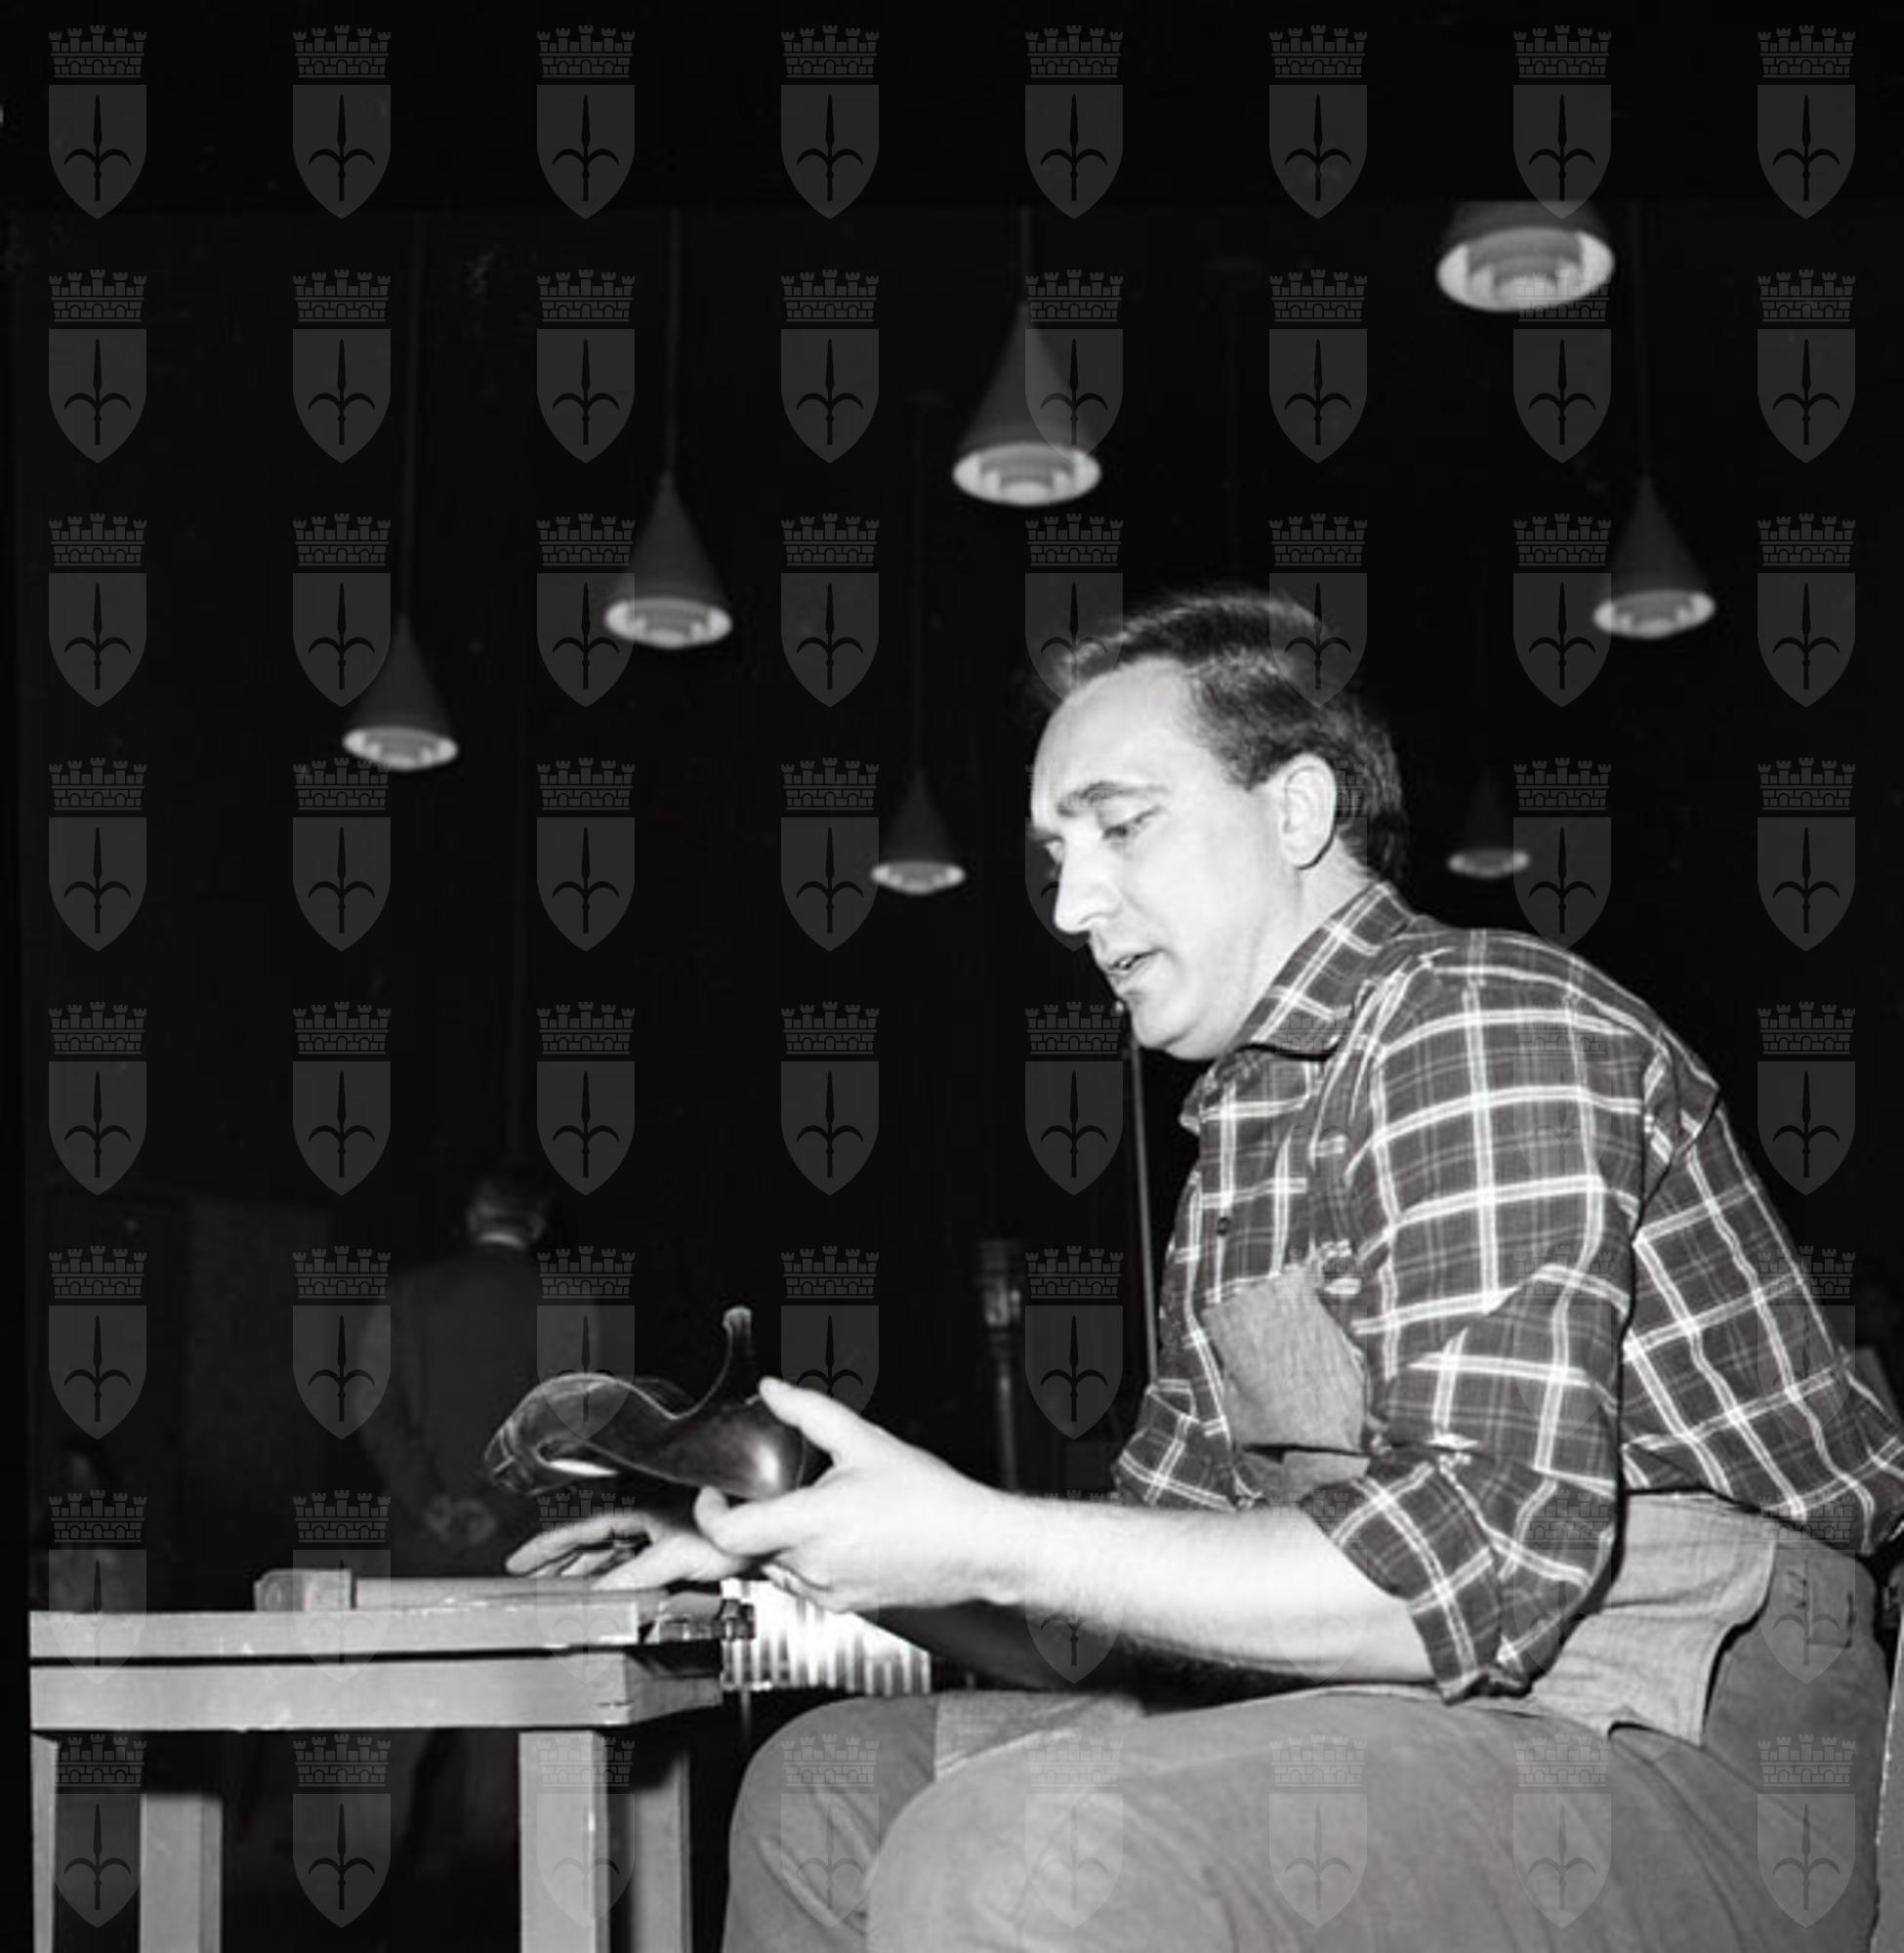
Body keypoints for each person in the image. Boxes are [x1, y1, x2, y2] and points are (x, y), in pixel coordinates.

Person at [513, 589, 1904, 1951]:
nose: (1071, 904)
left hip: (1685, 1745)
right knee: (819, 1795)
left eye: (1121, 825)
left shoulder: (1476, 1019)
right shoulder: (1242, 1152)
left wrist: (985, 1532)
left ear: (1296, 812)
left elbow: (1476, 1564)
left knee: (1022, 1846)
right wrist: (793, 1548)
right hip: (1430, 1710)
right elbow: (1117, 1617)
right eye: (1054, 852)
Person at [359, 1156, 557, 1932]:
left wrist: (432, 1503)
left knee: (394, 1740)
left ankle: (366, 1920)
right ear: (537, 1224)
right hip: (517, 1550)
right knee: (500, 1745)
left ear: (473, 1214)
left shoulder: (406, 1296)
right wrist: (494, 1507)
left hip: (418, 1548)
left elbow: (375, 1415)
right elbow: (568, 1430)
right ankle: (487, 1921)